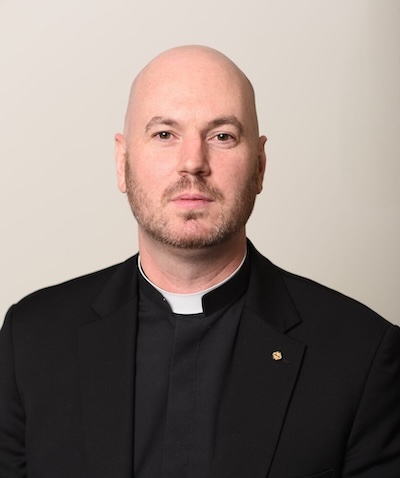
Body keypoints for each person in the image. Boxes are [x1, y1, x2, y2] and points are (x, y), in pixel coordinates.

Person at [0, 45, 399, 478]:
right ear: (122, 162)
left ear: (259, 166)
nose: (193, 163)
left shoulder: (362, 355)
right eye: (164, 134)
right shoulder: (31, 339)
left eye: (222, 136)